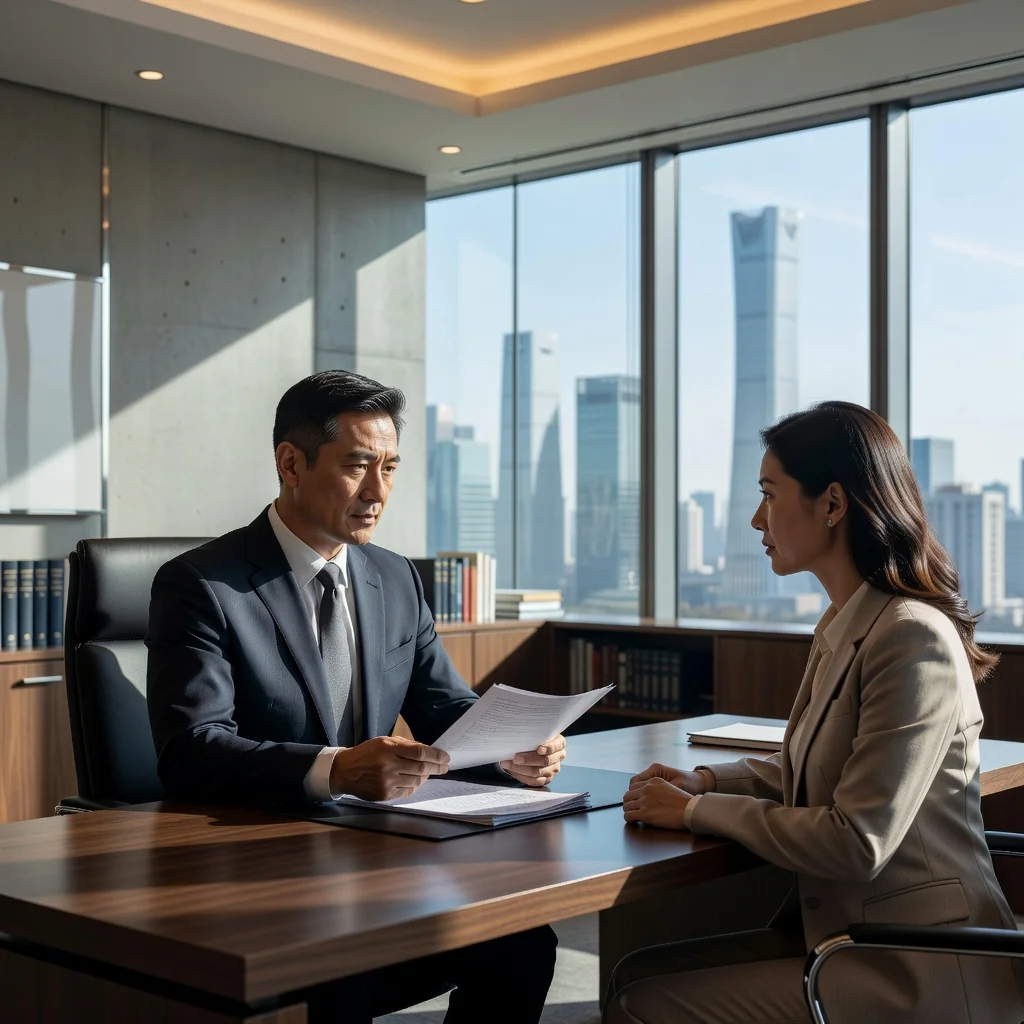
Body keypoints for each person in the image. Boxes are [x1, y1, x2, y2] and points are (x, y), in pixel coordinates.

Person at [147, 370, 564, 1024]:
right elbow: (192, 749)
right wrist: (335, 768)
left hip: (378, 859)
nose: (379, 492)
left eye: (391, 468)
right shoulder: (203, 585)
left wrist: (514, 746)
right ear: (291, 462)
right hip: (260, 870)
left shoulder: (395, 578)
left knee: (523, 944)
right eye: (359, 466)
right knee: (339, 979)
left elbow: (445, 710)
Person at [605, 402, 1024, 1024]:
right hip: (847, 931)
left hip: (917, 961)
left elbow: (858, 841)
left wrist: (696, 811)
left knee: (645, 1003)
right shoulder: (847, 623)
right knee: (634, 971)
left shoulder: (911, 638)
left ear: (832, 504)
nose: (755, 518)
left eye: (769, 495)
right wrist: (706, 779)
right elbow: (813, 766)